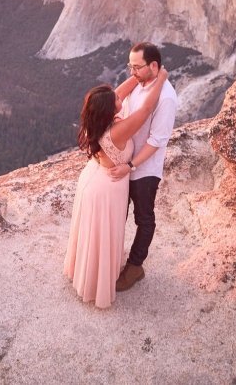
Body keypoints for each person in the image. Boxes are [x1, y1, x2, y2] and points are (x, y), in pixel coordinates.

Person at [63, 64, 169, 309]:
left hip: (93, 179)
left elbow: (118, 94)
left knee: (93, 232)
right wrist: (160, 77)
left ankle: (87, 272)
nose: (118, 96)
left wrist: (140, 74)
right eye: (114, 100)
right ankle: (98, 282)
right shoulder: (117, 131)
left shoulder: (96, 119)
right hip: (108, 188)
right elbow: (146, 110)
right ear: (109, 110)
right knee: (104, 233)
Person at [108, 42, 178, 292]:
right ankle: (113, 259)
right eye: (130, 66)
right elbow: (118, 99)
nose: (132, 72)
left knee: (144, 218)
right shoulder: (139, 83)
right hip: (124, 164)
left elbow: (157, 141)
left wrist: (131, 165)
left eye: (137, 67)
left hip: (144, 170)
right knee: (119, 213)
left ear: (154, 66)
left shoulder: (166, 97)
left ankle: (135, 267)